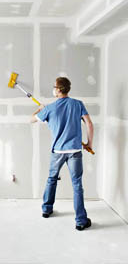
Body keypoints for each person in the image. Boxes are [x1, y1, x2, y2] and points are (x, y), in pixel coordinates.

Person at [30, 77, 94, 231]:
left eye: (54, 87)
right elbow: (89, 124)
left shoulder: (50, 108)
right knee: (77, 184)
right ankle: (80, 221)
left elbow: (31, 120)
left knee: (52, 179)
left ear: (58, 89)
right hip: (75, 151)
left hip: (58, 151)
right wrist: (89, 143)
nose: (53, 89)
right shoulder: (78, 104)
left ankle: (46, 209)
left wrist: (39, 110)